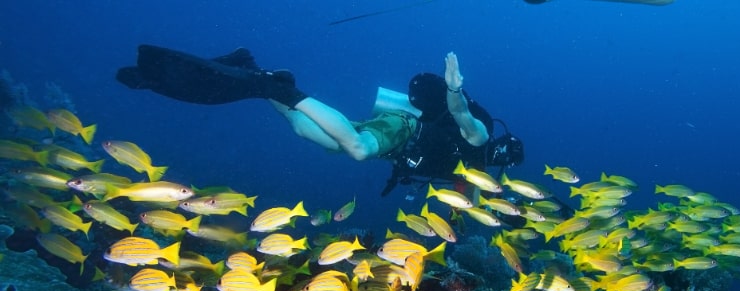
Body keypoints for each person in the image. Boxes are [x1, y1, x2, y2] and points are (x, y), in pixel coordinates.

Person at [116, 45, 524, 196]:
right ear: (501, 150)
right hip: (402, 129)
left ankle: (261, 80)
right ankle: (281, 89)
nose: (499, 161)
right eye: (504, 156)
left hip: (396, 144)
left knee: (304, 129)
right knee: (357, 149)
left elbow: (457, 188)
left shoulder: (471, 173)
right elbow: (461, 114)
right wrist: (454, 87)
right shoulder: (480, 137)